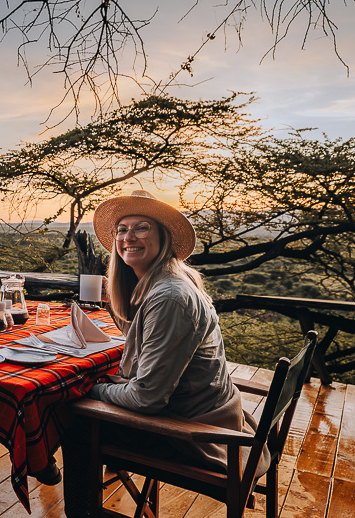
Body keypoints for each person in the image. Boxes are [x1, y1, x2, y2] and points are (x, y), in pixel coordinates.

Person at [61, 190, 269, 517]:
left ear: (164, 236)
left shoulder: (169, 297)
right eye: (122, 229)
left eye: (141, 227)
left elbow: (147, 399)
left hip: (199, 437)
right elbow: (149, 349)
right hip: (211, 412)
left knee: (74, 419)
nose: (128, 236)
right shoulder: (166, 281)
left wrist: (92, 390)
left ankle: (82, 513)